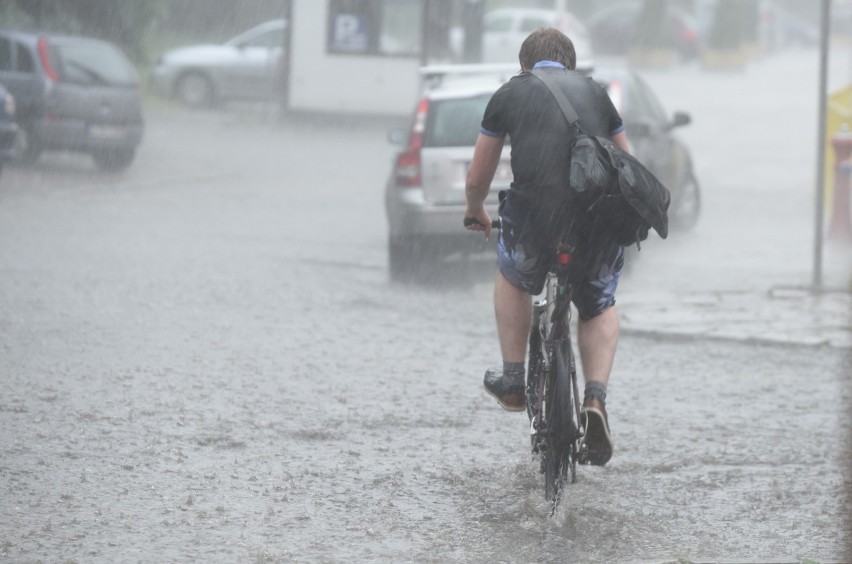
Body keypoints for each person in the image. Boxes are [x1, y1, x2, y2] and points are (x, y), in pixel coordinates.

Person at [463, 27, 630, 466]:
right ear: (570, 65)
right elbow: (625, 164)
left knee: (514, 277)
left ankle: (515, 380)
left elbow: (480, 173)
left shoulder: (510, 93)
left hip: (534, 217)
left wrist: (475, 208)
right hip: (593, 221)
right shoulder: (595, 93)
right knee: (597, 302)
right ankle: (594, 399)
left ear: (525, 65)